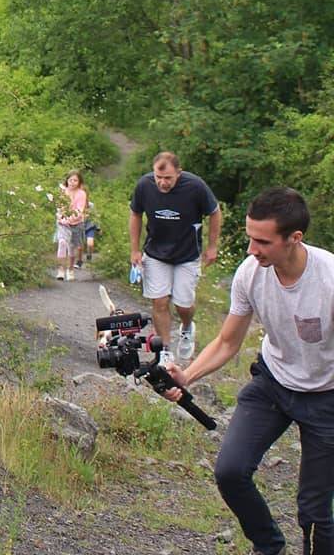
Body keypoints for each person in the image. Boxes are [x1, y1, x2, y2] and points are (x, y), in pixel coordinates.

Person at [166, 187, 334, 555]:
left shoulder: (329, 280)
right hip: (273, 385)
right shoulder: (250, 273)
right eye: (249, 238)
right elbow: (228, 342)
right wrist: (187, 376)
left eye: (262, 242)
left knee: (315, 509)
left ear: (294, 239)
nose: (251, 250)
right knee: (230, 471)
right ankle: (268, 545)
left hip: (326, 396)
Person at [129, 151, 220, 361]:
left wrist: (212, 246)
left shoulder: (195, 186)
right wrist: (134, 249)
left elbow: (215, 212)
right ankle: (165, 350)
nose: (162, 182)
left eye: (168, 178)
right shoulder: (144, 185)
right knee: (159, 302)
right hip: (156, 252)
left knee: (183, 304)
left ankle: (187, 327)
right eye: (158, 177)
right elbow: (135, 214)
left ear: (178, 173)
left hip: (187, 254)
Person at [55, 170, 88, 282]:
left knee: (72, 247)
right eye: (70, 180)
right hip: (63, 222)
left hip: (76, 223)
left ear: (79, 182)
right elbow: (59, 206)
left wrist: (70, 218)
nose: (72, 182)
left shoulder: (82, 194)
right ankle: (60, 270)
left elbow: (80, 210)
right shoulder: (62, 191)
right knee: (62, 243)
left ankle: (70, 270)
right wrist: (61, 217)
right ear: (67, 180)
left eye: (75, 180)